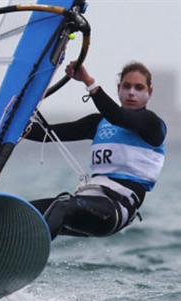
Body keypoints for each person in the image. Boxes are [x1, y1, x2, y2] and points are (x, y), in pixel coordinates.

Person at [26, 61, 166, 240]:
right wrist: (12, 123)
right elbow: (49, 134)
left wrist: (89, 82)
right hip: (88, 201)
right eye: (127, 86)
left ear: (149, 92)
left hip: (114, 210)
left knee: (61, 207)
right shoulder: (99, 123)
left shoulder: (152, 124)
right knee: (25, 212)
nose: (132, 92)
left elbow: (118, 116)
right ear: (118, 88)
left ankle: (32, 255)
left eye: (139, 87)